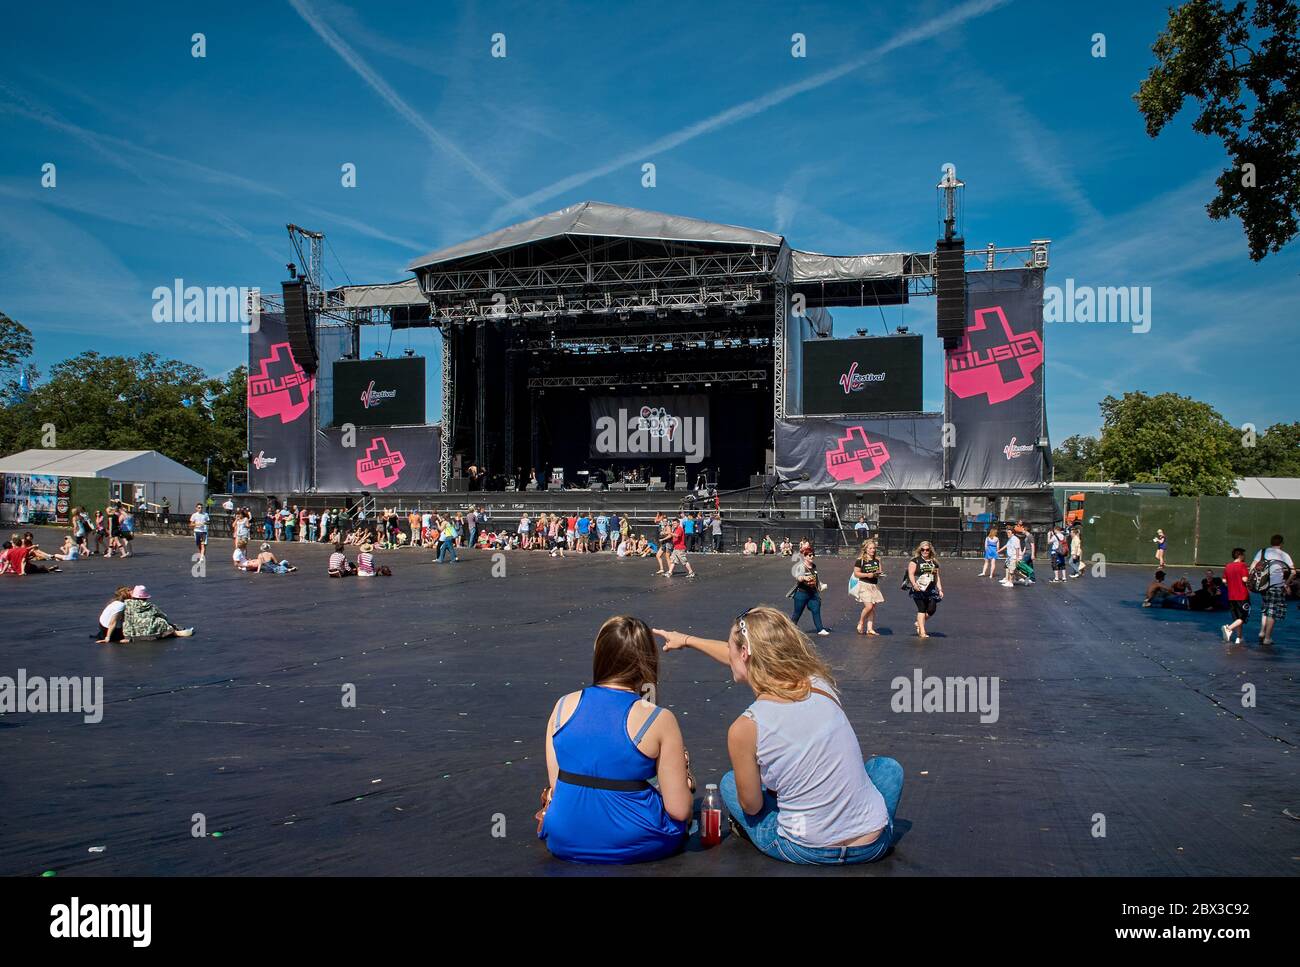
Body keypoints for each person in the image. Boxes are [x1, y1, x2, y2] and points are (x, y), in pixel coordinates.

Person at [655, 608, 902, 865]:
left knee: (730, 783)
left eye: (730, 648)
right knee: (888, 769)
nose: (727, 654)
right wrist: (687, 640)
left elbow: (751, 806)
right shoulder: (819, 683)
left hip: (805, 849)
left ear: (743, 653)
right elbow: (746, 657)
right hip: (872, 845)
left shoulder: (745, 727)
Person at [538, 616, 693, 864]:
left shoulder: (562, 706)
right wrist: (686, 779)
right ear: (647, 660)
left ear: (599, 655)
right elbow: (679, 809)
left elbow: (557, 785)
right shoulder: (659, 718)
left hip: (565, 837)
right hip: (636, 840)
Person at [1250, 534, 1293, 646]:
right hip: (1276, 586)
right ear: (1281, 543)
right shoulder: (1284, 555)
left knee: (1265, 608)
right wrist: (1286, 584)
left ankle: (1262, 632)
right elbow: (1292, 572)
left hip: (1263, 586)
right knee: (1272, 612)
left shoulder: (1262, 552)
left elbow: (1252, 567)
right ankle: (1267, 638)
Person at [122, 586, 194, 640]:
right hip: (148, 632)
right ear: (145, 598)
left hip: (130, 633)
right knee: (160, 620)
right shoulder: (150, 606)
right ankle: (176, 632)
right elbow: (163, 616)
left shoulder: (125, 604)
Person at [906, 541, 944, 638]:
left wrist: (940, 589)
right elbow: (910, 574)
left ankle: (919, 622)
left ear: (930, 550)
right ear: (920, 550)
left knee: (932, 609)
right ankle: (922, 632)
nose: (925, 551)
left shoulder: (934, 562)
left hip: (930, 589)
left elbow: (937, 577)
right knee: (922, 609)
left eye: (927, 550)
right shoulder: (915, 561)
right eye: (923, 550)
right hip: (919, 588)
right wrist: (914, 584)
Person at [789, 548, 828, 635]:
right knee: (797, 613)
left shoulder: (813, 566)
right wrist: (804, 578)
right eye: (810, 555)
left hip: (812, 593)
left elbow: (816, 578)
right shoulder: (801, 566)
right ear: (805, 556)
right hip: (801, 594)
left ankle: (820, 629)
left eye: (813, 554)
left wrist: (820, 584)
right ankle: (790, 629)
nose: (812, 556)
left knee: (816, 608)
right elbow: (798, 577)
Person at [850, 539, 885, 636]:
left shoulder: (877, 560)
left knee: (872, 607)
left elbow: (879, 571)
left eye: (874, 548)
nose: (872, 550)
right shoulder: (860, 560)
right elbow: (856, 573)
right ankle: (861, 622)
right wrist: (867, 575)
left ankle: (870, 628)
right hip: (864, 585)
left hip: (874, 585)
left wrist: (879, 574)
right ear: (865, 549)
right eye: (870, 548)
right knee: (868, 606)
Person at [663, 514, 695, 579]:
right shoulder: (676, 529)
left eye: (675, 523)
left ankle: (691, 572)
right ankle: (669, 573)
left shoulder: (680, 529)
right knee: (673, 561)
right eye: (673, 523)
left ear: (678, 523)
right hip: (676, 548)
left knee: (684, 561)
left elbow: (677, 535)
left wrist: (669, 533)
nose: (674, 524)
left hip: (680, 548)